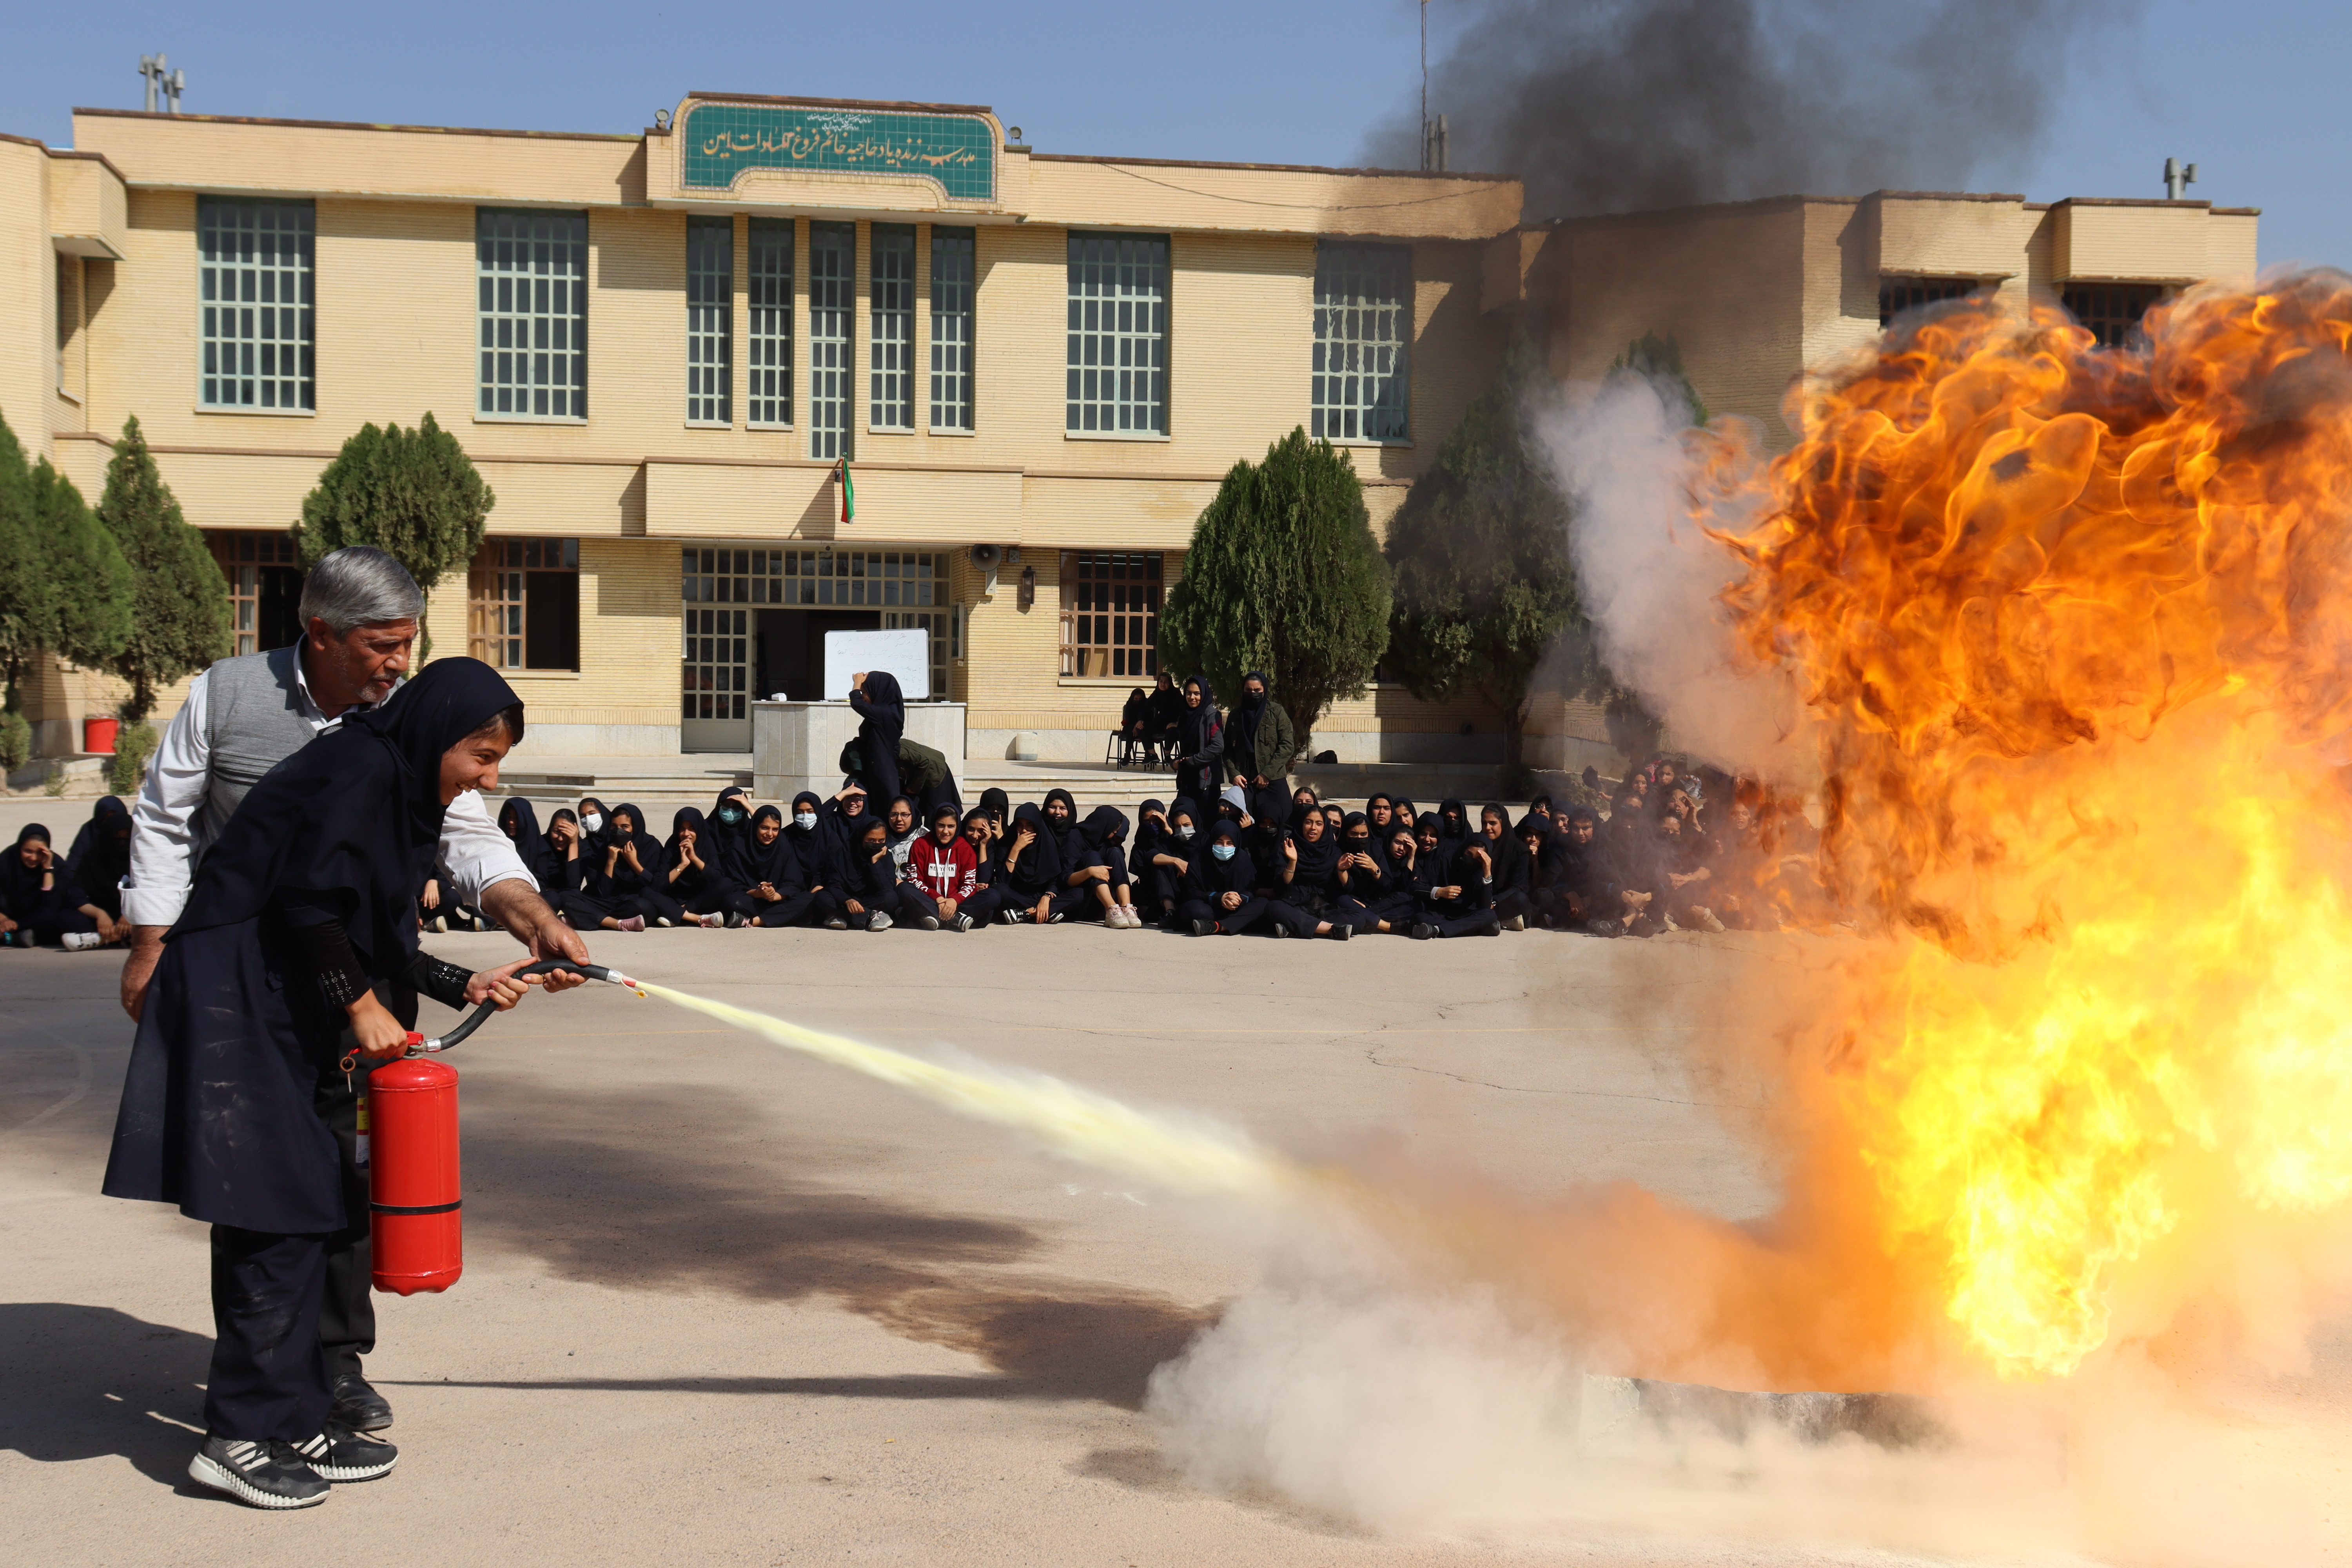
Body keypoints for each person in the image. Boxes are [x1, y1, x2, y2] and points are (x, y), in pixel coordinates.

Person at [101, 657, 572, 1509]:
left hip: (282, 988)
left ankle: (299, 1410)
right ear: (436, 733)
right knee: (275, 1209)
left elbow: (373, 929)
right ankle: (240, 1433)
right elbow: (306, 904)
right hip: (237, 991)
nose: (489, 777)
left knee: (320, 1199)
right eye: (480, 754)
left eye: (498, 758)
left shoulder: (398, 786)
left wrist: (461, 980)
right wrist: (360, 1008)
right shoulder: (360, 766)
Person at [2, 824, 102, 949]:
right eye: (28, 851)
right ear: (20, 848)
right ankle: (17, 936)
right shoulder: (6, 861)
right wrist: (3, 919)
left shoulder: (58, 866)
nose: (33, 858)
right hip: (6, 918)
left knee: (54, 918)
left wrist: (48, 870)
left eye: (40, 853)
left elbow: (50, 906)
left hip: (39, 919)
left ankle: (16, 935)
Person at [1222, 671, 1297, 825]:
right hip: (1245, 778)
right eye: (1248, 690)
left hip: (1273, 776)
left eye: (1257, 691)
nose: (1253, 694)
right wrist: (1234, 774)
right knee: (1243, 822)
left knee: (1283, 819)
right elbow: (1227, 748)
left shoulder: (1276, 712)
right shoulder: (1236, 716)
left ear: (1265, 690)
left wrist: (1267, 774)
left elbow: (1287, 745)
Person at [1268, 802, 1350, 939]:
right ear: (1301, 824)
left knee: (1358, 917)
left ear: (1325, 827)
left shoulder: (1334, 852)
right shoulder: (1289, 846)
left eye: (1319, 824)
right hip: (1295, 904)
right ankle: (1331, 929)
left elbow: (1344, 889)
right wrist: (1293, 862)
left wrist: (1342, 871)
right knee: (1273, 908)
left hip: (1324, 906)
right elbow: (1281, 886)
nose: (1313, 828)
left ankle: (1295, 928)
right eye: (1309, 822)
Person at [1409, 816, 1500, 938]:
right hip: (1442, 912)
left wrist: (1487, 873)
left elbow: (1484, 906)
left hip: (1468, 913)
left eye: (1478, 858)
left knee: (1490, 915)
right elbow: (1415, 887)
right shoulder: (1446, 860)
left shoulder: (1482, 870)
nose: (1471, 860)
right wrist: (1440, 892)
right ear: (1464, 849)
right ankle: (1474, 929)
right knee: (1419, 917)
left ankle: (1437, 930)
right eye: (1469, 854)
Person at [64, 796, 135, 945]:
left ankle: (105, 938)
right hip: (100, 911)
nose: (122, 843)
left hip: (132, 913)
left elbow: (150, 891)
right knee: (66, 919)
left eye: (127, 838)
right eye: (116, 838)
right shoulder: (94, 857)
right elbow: (77, 895)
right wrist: (100, 915)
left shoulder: (139, 859)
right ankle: (121, 937)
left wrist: (129, 914)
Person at [732, 804, 816, 928]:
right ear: (755, 826)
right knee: (733, 902)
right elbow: (736, 884)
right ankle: (780, 917)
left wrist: (775, 896)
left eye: (775, 829)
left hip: (778, 901)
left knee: (809, 899)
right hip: (753, 900)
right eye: (764, 828)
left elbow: (794, 883)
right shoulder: (740, 846)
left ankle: (755, 921)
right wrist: (760, 893)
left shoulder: (783, 845)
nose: (770, 834)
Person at [1179, 818, 1266, 936]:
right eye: (1219, 842)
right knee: (1193, 910)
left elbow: (1251, 890)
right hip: (1210, 908)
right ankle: (1235, 923)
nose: (1224, 847)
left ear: (1236, 843)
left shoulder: (1242, 858)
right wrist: (1220, 898)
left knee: (1263, 904)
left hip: (1237, 908)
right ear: (1212, 841)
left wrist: (1238, 899)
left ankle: (1216, 927)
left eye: (1229, 843)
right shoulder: (1200, 856)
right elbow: (1192, 892)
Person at [906, 802, 979, 930]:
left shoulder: (965, 849)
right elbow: (914, 879)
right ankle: (955, 918)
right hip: (929, 900)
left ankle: (935, 916)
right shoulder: (921, 845)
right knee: (904, 889)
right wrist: (937, 898)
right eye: (941, 826)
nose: (946, 832)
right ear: (934, 824)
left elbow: (969, 884)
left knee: (992, 896)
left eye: (951, 826)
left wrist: (954, 901)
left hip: (957, 903)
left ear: (958, 827)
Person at [662, 806, 737, 927]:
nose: (687, 834)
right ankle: (693, 918)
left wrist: (695, 859)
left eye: (692, 829)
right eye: (682, 829)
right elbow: (659, 884)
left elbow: (718, 877)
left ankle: (680, 913)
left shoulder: (706, 844)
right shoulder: (672, 845)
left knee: (727, 883)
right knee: (647, 892)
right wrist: (683, 865)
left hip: (701, 900)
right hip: (676, 898)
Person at [786, 792, 852, 930]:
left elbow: (835, 872)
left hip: (821, 891)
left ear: (818, 812)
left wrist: (822, 885)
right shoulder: (786, 836)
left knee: (820, 899)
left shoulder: (830, 839)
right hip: (791, 890)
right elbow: (762, 829)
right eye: (800, 812)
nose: (805, 817)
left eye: (810, 811)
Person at [993, 802, 1065, 925]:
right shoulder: (1008, 843)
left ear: (1037, 826)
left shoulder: (1047, 843)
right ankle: (1043, 912)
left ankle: (1025, 913)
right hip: (1017, 896)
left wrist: (1046, 897)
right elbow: (1002, 881)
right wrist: (1016, 849)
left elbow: (1054, 879)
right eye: (1020, 825)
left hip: (1042, 896)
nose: (1024, 830)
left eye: (1029, 825)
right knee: (999, 891)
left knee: (1078, 894)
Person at [849, 670, 906, 812]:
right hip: (875, 770)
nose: (863, 697)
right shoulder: (884, 712)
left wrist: (857, 683)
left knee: (886, 809)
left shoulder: (887, 713)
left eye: (865, 693)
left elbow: (856, 703)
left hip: (883, 772)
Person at [1075, 804, 1141, 927]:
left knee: (1116, 852)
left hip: (1107, 894)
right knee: (1092, 856)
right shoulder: (1077, 838)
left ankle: (1127, 908)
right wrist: (1090, 871)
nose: (1114, 841)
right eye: (1113, 834)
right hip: (1085, 893)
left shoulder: (1112, 848)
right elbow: (1067, 878)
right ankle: (1111, 909)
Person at [1142, 799, 1200, 925]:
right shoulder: (1173, 842)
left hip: (1199, 890)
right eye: (1178, 827)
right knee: (1160, 866)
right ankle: (1170, 911)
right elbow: (1151, 856)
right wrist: (1176, 861)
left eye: (1187, 826)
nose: (1182, 830)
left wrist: (1191, 870)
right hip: (1175, 890)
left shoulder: (1205, 841)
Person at [1478, 802, 1534, 930]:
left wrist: (1494, 901)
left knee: (1521, 900)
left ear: (1502, 823)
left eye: (1493, 823)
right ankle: (1502, 921)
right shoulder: (1478, 845)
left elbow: (1518, 887)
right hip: (1483, 896)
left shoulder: (1519, 850)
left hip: (1504, 900)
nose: (1487, 828)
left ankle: (1495, 919)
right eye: (1484, 823)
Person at [838, 816, 899, 931]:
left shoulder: (886, 857)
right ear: (862, 838)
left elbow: (887, 888)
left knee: (891, 898)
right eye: (871, 841)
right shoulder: (845, 853)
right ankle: (873, 915)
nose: (877, 844)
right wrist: (847, 900)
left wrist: (875, 863)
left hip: (872, 899)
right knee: (823, 898)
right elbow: (834, 883)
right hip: (848, 899)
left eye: (881, 841)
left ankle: (848, 917)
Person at [1172, 675, 1223, 810]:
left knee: (1206, 822)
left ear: (1204, 694)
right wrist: (1177, 761)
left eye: (1197, 694)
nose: (1192, 697)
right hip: (1187, 777)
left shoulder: (1212, 716)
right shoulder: (1184, 716)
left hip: (1206, 779)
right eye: (1189, 693)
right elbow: (1186, 747)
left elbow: (1218, 746)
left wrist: (1193, 760)